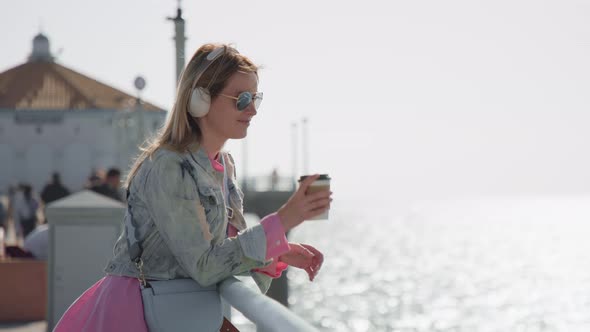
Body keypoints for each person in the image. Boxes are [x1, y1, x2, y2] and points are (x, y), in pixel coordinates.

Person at [54, 43, 332, 331]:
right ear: (200, 99)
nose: (252, 110)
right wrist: (283, 220)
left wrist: (276, 251)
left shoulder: (223, 166)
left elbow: (223, 254)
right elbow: (205, 266)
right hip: (137, 313)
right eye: (241, 98)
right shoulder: (167, 166)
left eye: (255, 98)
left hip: (178, 313)